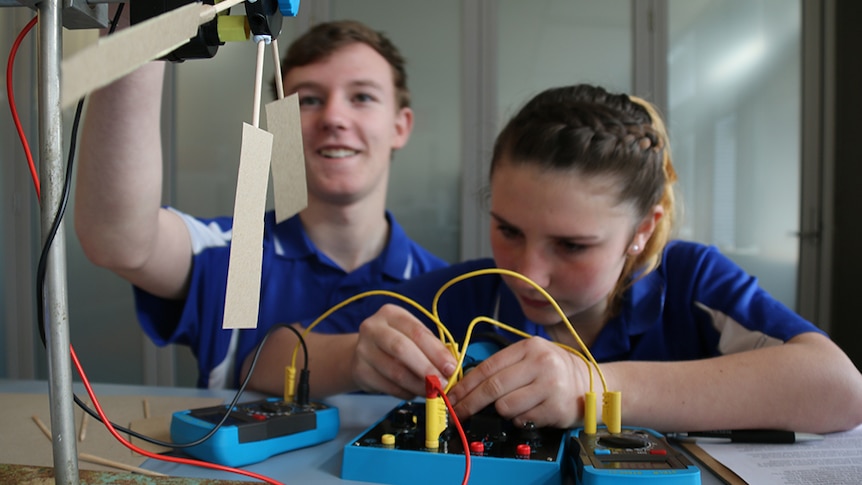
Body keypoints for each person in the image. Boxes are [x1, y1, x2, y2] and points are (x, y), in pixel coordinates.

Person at [249, 84, 862, 435]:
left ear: (641, 232)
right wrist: (355, 357)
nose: (526, 272)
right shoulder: (475, 296)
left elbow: (839, 389)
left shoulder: (691, 280)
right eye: (507, 230)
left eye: (571, 246)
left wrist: (591, 384)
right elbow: (264, 362)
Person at [74, 16, 448, 389]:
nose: (334, 117)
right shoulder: (234, 253)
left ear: (400, 126)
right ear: (281, 126)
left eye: (362, 97)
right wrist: (137, 20)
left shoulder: (445, 290)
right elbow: (117, 240)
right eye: (310, 100)